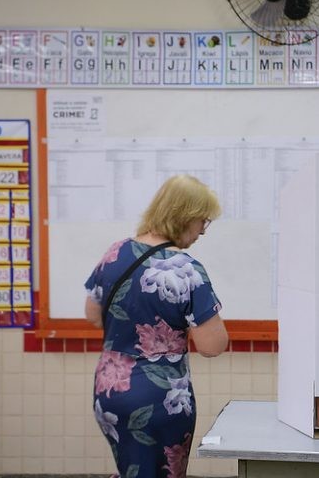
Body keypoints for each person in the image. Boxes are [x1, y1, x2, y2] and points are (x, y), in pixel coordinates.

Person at [84, 174, 228, 478]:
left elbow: (93, 314)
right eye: (202, 220)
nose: (203, 229)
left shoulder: (115, 253)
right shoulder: (186, 269)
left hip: (110, 390)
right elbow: (212, 346)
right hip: (159, 398)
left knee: (133, 470)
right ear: (184, 216)